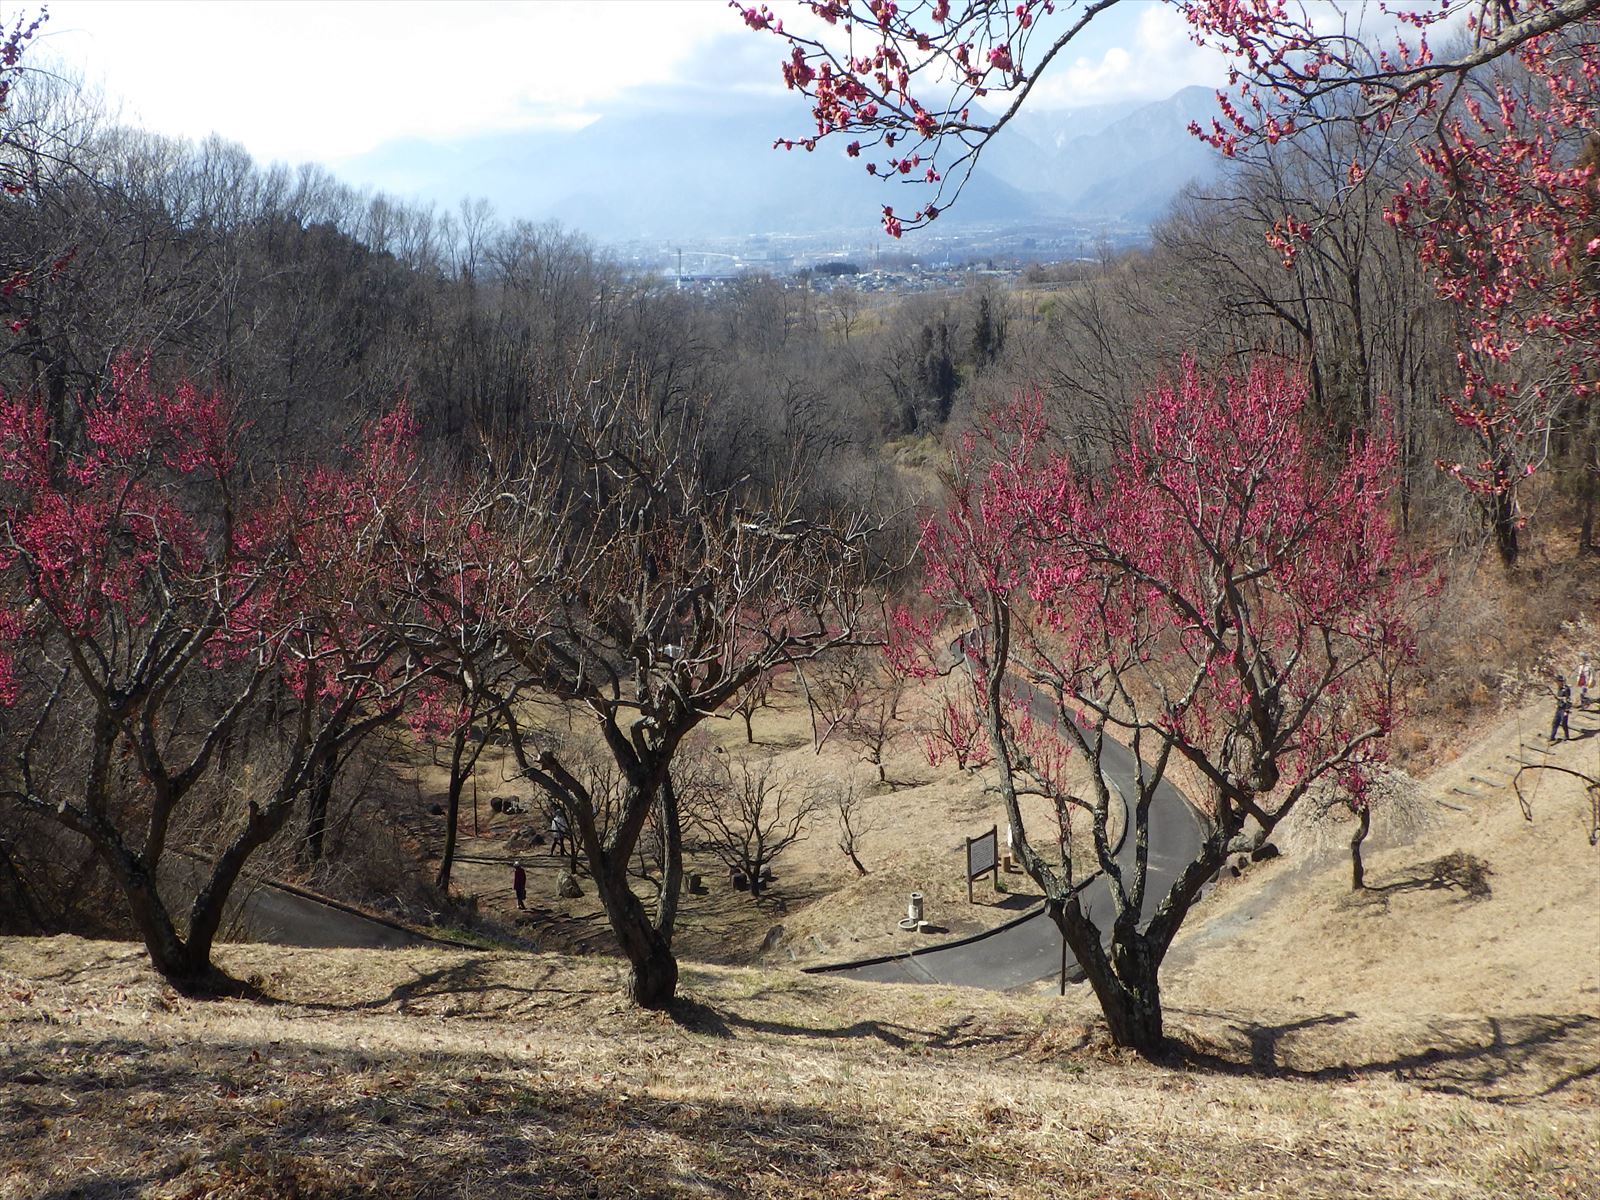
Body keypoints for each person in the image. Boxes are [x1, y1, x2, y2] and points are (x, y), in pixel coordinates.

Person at [1550, 675, 1572, 742]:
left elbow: (1569, 700)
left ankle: (1566, 736)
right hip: (1559, 708)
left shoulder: (1566, 689)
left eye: (1558, 682)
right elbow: (1560, 698)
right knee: (1555, 722)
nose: (1557, 683)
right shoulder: (1559, 689)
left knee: (1564, 723)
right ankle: (1552, 737)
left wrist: (1567, 710)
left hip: (1564, 708)